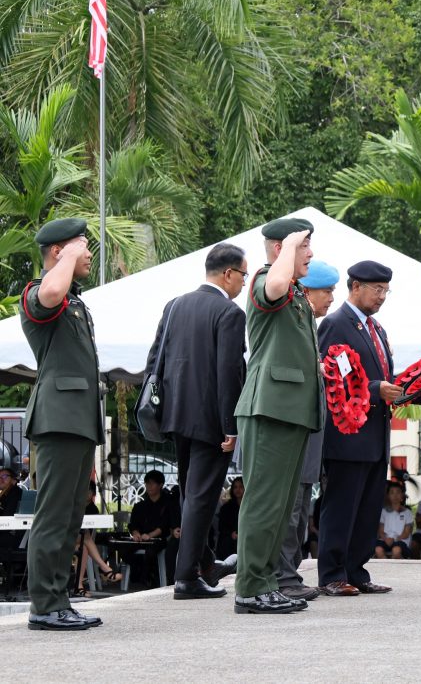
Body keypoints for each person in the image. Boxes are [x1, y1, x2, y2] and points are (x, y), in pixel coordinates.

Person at [316, 260, 421, 596]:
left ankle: (356, 570)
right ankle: (332, 575)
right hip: (346, 435)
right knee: (341, 507)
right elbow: (331, 380)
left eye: (386, 291)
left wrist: (417, 390)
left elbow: (388, 383)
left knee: (368, 508)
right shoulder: (335, 324)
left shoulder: (378, 330)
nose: (382, 296)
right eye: (376, 290)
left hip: (376, 435)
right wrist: (372, 390)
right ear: (355, 287)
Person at [144, 243, 247, 600]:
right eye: (243, 276)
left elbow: (155, 358)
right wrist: (230, 426)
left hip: (176, 415)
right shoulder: (229, 313)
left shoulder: (175, 306)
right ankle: (186, 577)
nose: (244, 284)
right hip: (211, 421)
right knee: (201, 498)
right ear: (229, 274)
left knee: (192, 492)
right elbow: (228, 374)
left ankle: (205, 564)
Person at [19, 218, 104, 631]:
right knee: (53, 515)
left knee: (70, 517)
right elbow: (51, 290)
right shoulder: (40, 292)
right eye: (80, 247)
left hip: (77, 422)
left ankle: (59, 600)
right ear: (58, 253)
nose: (88, 253)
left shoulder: (75, 301)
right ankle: (45, 606)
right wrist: (68, 258)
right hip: (58, 419)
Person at [233, 218, 320, 615]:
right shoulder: (267, 280)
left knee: (281, 507)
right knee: (265, 503)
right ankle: (250, 587)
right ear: (280, 248)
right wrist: (288, 248)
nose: (310, 254)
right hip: (268, 408)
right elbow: (275, 288)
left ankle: (266, 581)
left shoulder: (297, 292)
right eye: (304, 247)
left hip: (289, 410)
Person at [276, 259, 339, 602]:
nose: (331, 298)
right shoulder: (295, 323)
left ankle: (290, 571)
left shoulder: (310, 327)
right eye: (326, 291)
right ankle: (284, 575)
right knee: (291, 510)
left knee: (300, 510)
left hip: (310, 433)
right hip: (295, 433)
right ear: (305, 291)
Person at [128, 470, 178, 586]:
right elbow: (133, 524)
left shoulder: (168, 504)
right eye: (147, 483)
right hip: (141, 539)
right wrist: (136, 533)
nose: (149, 486)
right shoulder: (140, 506)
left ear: (160, 485)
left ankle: (148, 578)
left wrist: (149, 535)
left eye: (152, 483)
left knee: (151, 552)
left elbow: (165, 525)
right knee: (125, 551)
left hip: (160, 540)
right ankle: (137, 575)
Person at [74, 482, 121, 596]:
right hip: (65, 538)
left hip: (79, 540)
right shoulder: (74, 505)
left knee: (84, 546)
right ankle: (105, 568)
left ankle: (79, 586)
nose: (85, 493)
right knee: (85, 539)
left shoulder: (92, 509)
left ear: (93, 494)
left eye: (88, 491)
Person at [375, 482, 414, 559]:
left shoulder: (407, 513)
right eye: (392, 492)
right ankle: (387, 569)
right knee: (378, 550)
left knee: (396, 550)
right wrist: (386, 539)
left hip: (401, 541)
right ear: (388, 496)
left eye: (398, 492)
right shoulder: (383, 512)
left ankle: (395, 570)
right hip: (385, 540)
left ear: (402, 496)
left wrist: (394, 539)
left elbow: (406, 533)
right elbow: (381, 531)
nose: (395, 495)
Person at [217, 478, 243, 560]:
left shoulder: (250, 507)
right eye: (235, 487)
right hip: (230, 541)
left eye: (241, 487)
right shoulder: (226, 508)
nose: (238, 490)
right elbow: (221, 527)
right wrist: (231, 534)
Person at [0, 467, 24, 550]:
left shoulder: (15, 493)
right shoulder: (5, 494)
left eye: (5, 476)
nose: (1, 479)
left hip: (12, 536)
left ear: (14, 480)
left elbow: (7, 516)